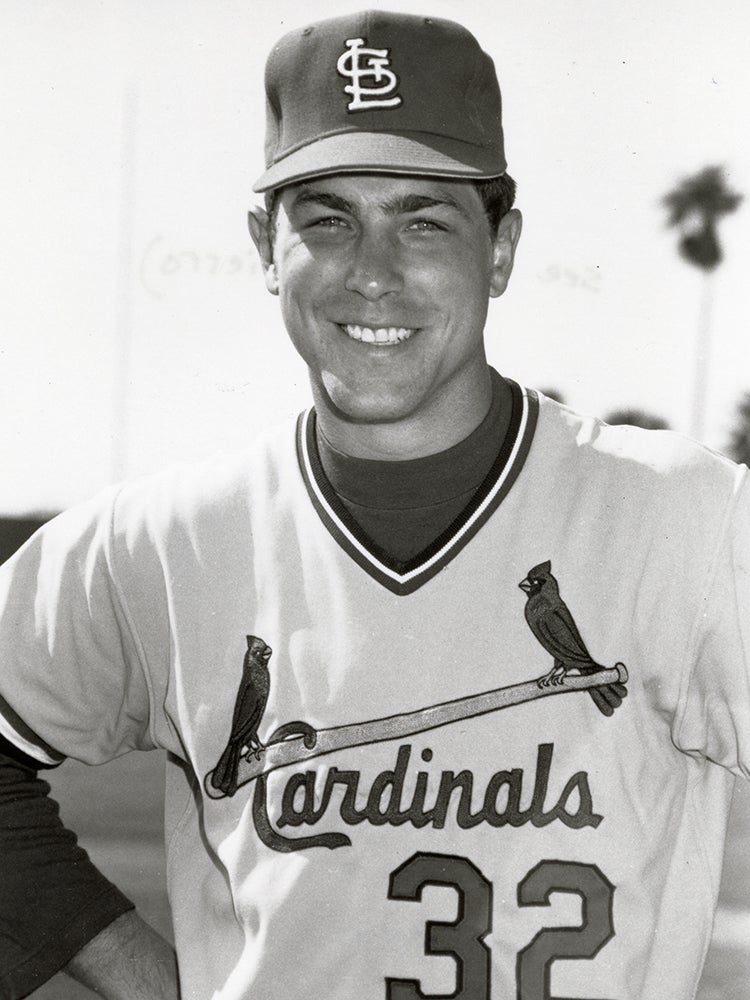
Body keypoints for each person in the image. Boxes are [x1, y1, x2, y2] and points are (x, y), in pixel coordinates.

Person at [1, 9, 748, 1000]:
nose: (373, 273)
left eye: (423, 220)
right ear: (267, 247)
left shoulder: (689, 520)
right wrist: (151, 984)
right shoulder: (161, 544)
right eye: (327, 220)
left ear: (501, 249)